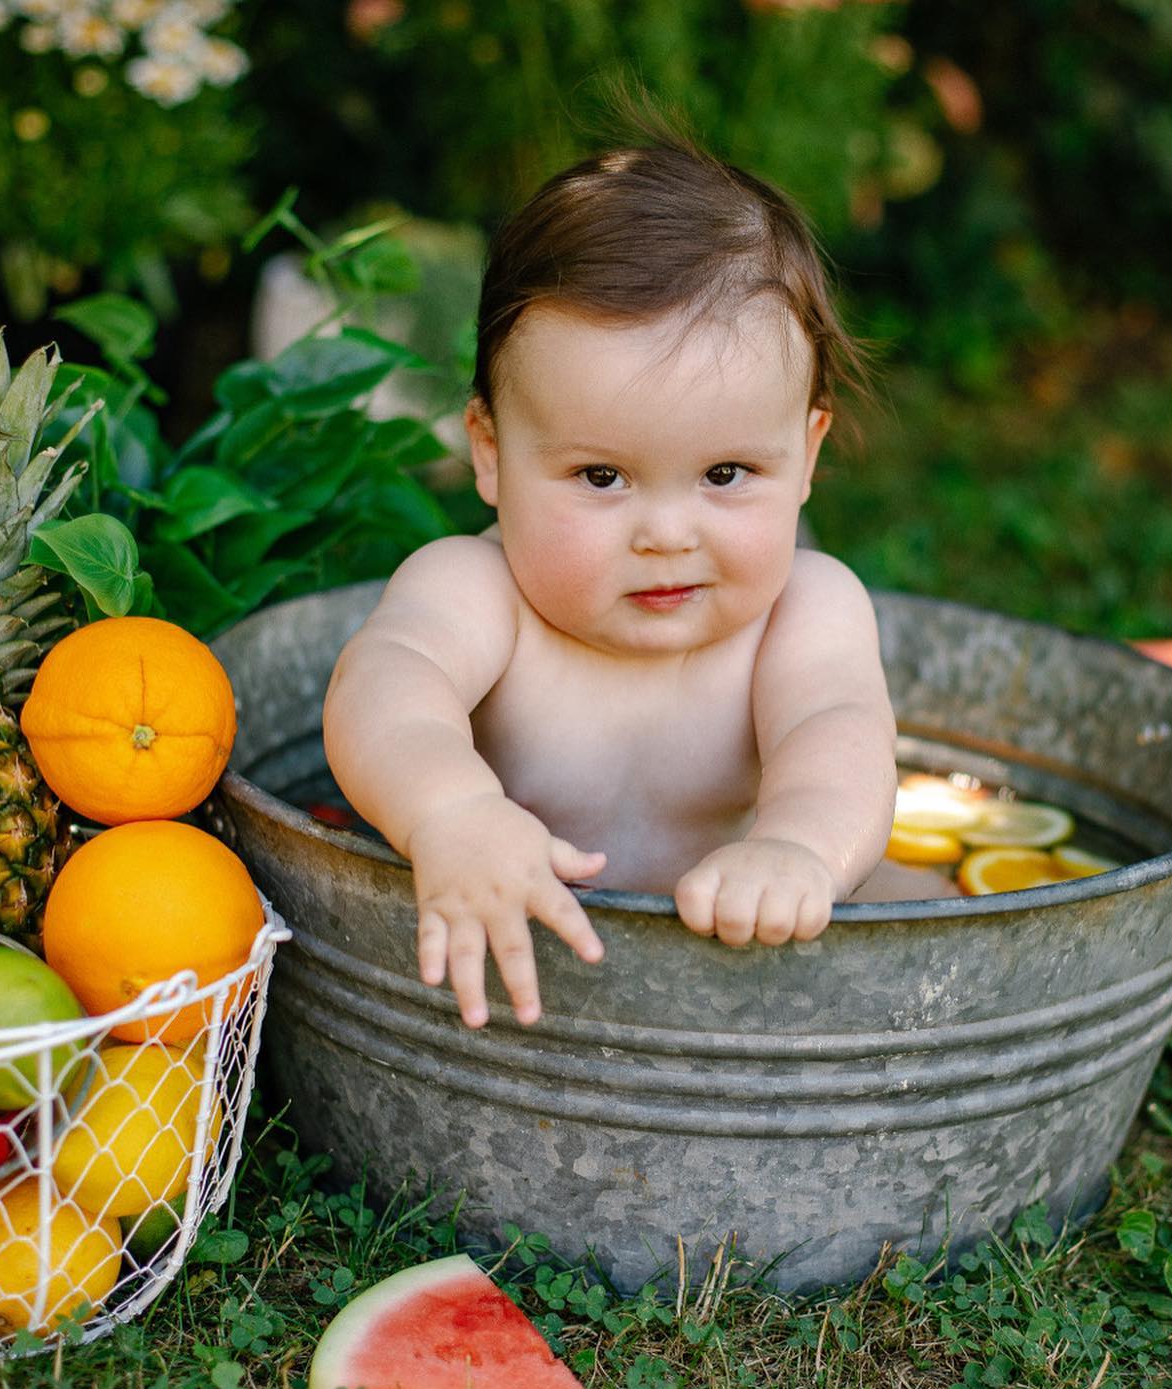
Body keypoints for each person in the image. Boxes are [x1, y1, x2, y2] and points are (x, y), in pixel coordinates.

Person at [324, 136, 946, 1030]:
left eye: (725, 474)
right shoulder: (477, 589)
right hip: (534, 985)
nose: (666, 535)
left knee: (924, 914)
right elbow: (384, 690)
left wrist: (797, 850)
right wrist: (453, 812)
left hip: (747, 972)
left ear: (806, 455)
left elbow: (838, 738)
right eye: (602, 476)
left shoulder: (805, 610)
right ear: (490, 454)